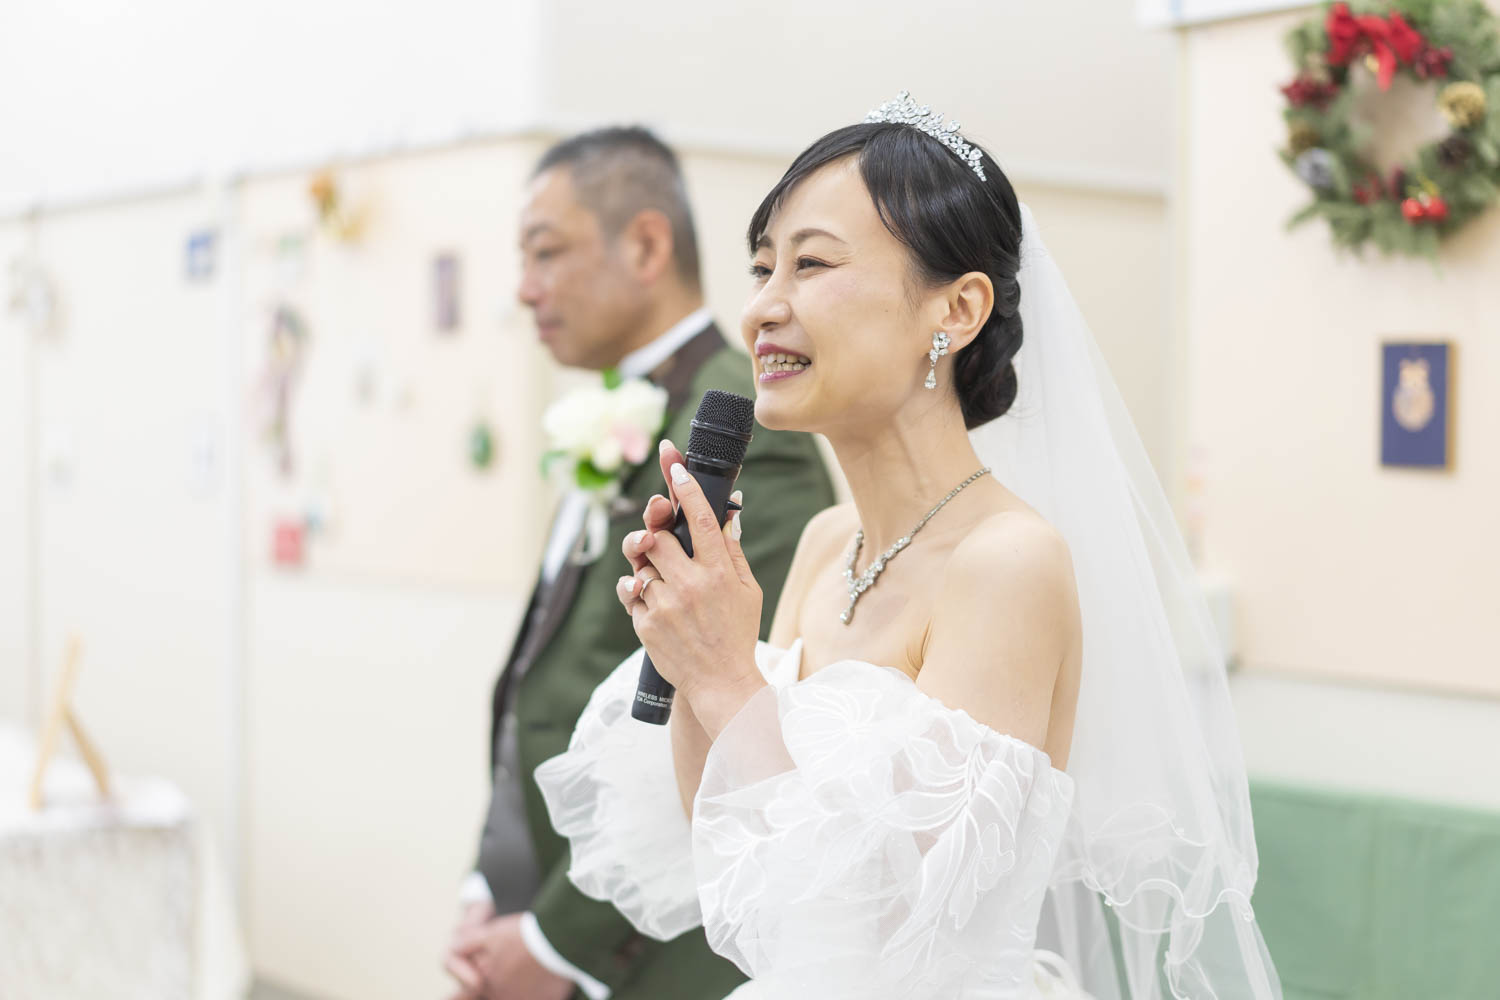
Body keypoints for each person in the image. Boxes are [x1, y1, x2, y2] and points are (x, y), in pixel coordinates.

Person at [533, 95, 1283, 999]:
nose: (762, 307)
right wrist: (690, 656)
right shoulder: (827, 543)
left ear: (957, 309)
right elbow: (734, 849)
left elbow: (892, 927)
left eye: (811, 263)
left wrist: (729, 674)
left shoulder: (1007, 562)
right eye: (763, 268)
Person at [445, 126, 835, 1000]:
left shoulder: (743, 425)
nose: (525, 288)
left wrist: (553, 944)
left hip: (650, 950)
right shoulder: (622, 406)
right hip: (545, 885)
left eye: (546, 252)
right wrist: (492, 882)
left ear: (648, 246)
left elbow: (721, 695)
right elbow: (548, 674)